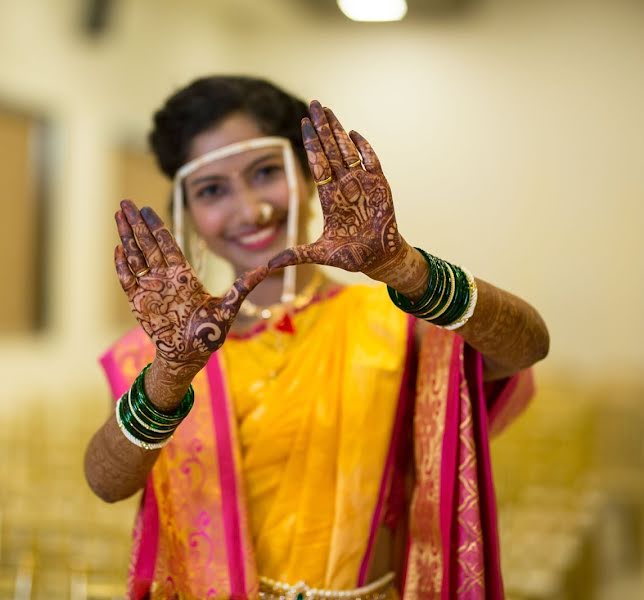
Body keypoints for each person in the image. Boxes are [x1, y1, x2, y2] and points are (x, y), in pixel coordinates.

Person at [84, 76, 549, 600]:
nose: (250, 209)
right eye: (213, 190)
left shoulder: (393, 320)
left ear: (309, 178)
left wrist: (406, 268)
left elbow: (528, 345)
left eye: (265, 174)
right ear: (187, 214)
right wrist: (171, 373)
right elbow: (107, 482)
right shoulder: (158, 357)